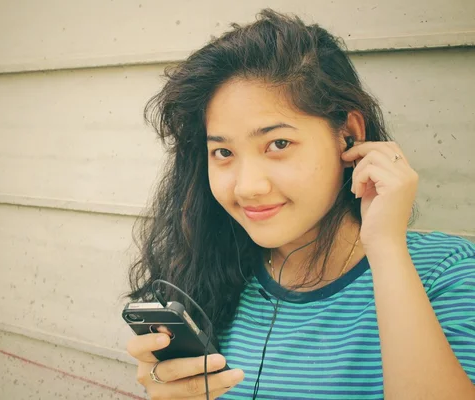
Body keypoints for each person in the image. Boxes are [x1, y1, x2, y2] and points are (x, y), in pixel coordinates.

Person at [125, 9, 475, 400]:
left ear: (349, 134)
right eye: (222, 151)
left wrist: (387, 249)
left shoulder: (446, 272)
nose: (248, 187)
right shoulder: (209, 272)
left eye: (278, 144)